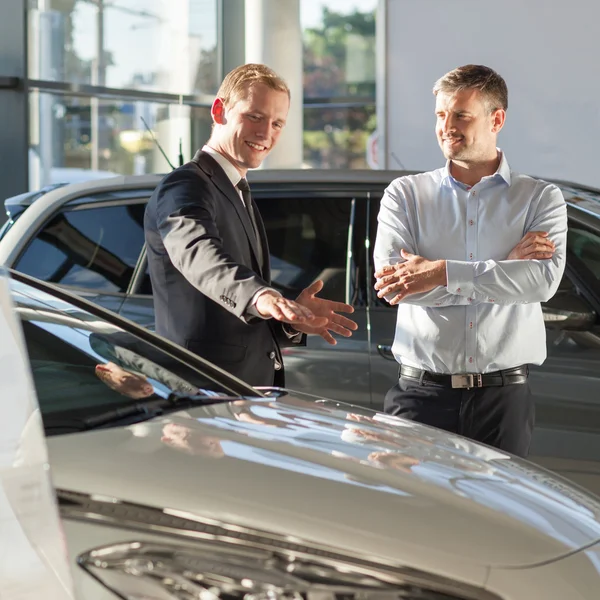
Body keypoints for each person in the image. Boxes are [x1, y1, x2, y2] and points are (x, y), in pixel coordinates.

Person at [373, 64, 567, 457]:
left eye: (461, 114)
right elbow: (395, 286)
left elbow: (540, 284)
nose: (447, 126)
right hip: (419, 397)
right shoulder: (405, 196)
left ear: (496, 119)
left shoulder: (539, 199)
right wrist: (504, 268)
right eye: (441, 115)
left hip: (503, 400)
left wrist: (440, 272)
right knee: (412, 517)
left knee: (498, 517)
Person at [145, 63, 357, 387]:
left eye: (277, 123)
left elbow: (238, 319)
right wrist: (260, 295)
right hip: (203, 394)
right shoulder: (186, 185)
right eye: (254, 117)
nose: (265, 133)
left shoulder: (238, 190)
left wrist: (290, 319)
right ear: (219, 111)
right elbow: (199, 252)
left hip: (240, 396)